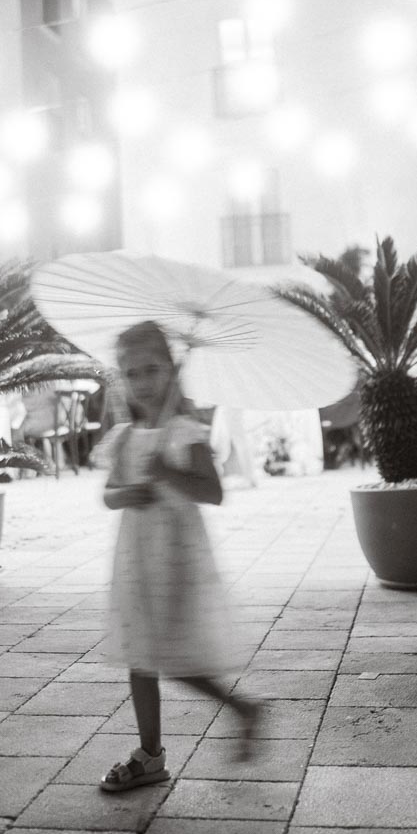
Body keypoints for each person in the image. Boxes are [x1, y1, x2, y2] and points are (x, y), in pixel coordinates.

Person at [96, 320, 262, 792]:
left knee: (167, 656)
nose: (143, 383)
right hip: (135, 562)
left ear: (172, 371)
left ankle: (242, 707)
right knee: (138, 654)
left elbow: (213, 492)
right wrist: (130, 492)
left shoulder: (185, 431)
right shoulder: (125, 436)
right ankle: (150, 755)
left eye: (152, 370)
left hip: (176, 559)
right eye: (132, 374)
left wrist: (168, 471)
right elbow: (109, 495)